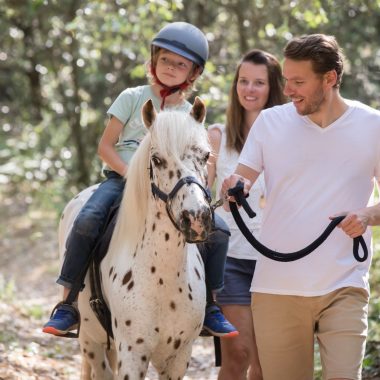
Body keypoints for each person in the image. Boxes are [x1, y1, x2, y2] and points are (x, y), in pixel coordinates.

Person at [43, 21, 238, 339]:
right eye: (165, 60)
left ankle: (210, 307)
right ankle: (67, 303)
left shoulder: (190, 113)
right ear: (153, 61)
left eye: (180, 64)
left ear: (193, 73)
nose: (171, 68)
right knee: (88, 220)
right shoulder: (132, 97)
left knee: (220, 229)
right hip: (122, 180)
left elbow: (194, 160)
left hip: (169, 188)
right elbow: (105, 147)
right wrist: (131, 174)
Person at [222, 34, 380, 380]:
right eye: (286, 81)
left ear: (330, 78)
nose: (288, 90)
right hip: (277, 288)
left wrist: (367, 215)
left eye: (298, 82)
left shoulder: (373, 125)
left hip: (344, 285)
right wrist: (236, 185)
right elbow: (242, 176)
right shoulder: (271, 122)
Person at [207, 49, 286, 379]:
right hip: (231, 259)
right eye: (243, 81)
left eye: (258, 83)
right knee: (239, 353)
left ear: (273, 88)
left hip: (277, 260)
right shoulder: (217, 136)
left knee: (268, 362)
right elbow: (199, 192)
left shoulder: (288, 137)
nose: (249, 89)